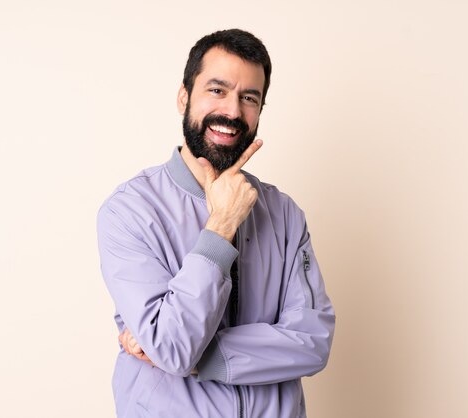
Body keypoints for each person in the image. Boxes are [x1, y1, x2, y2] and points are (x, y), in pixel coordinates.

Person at [97, 28, 335, 418]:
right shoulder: (130, 211)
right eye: (217, 90)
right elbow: (172, 347)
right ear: (183, 96)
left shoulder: (285, 213)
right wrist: (221, 225)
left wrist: (197, 359)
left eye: (249, 98)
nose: (232, 112)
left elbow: (313, 341)